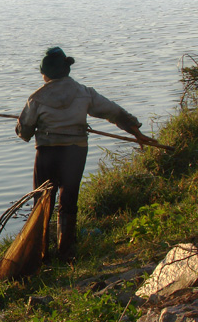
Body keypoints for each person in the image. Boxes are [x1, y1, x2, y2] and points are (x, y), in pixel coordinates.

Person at [15, 47, 157, 262]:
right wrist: (136, 132)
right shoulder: (84, 92)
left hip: (47, 153)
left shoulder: (36, 99)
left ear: (45, 74)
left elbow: (24, 132)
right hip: (75, 152)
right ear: (66, 70)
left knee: (43, 200)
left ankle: (40, 254)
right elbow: (114, 112)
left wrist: (25, 128)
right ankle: (66, 251)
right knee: (69, 198)